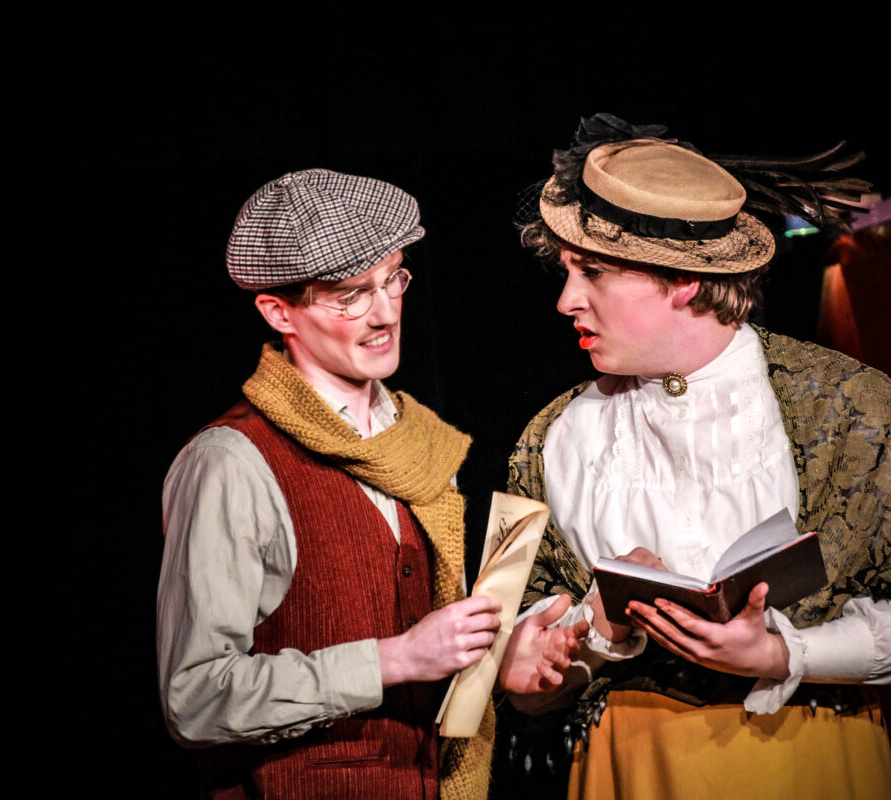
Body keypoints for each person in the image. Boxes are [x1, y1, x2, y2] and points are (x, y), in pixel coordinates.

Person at [498, 116, 891, 800]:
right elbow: (521, 682)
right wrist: (587, 631)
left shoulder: (845, 405)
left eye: (593, 272)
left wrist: (782, 652)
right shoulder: (553, 437)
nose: (566, 299)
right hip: (634, 769)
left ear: (682, 280)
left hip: (807, 760)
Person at [157, 169, 580, 800]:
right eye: (350, 295)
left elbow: (426, 643)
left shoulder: (421, 444)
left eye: (393, 279)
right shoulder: (232, 462)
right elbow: (194, 698)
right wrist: (396, 659)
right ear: (278, 312)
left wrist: (492, 661)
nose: (384, 313)